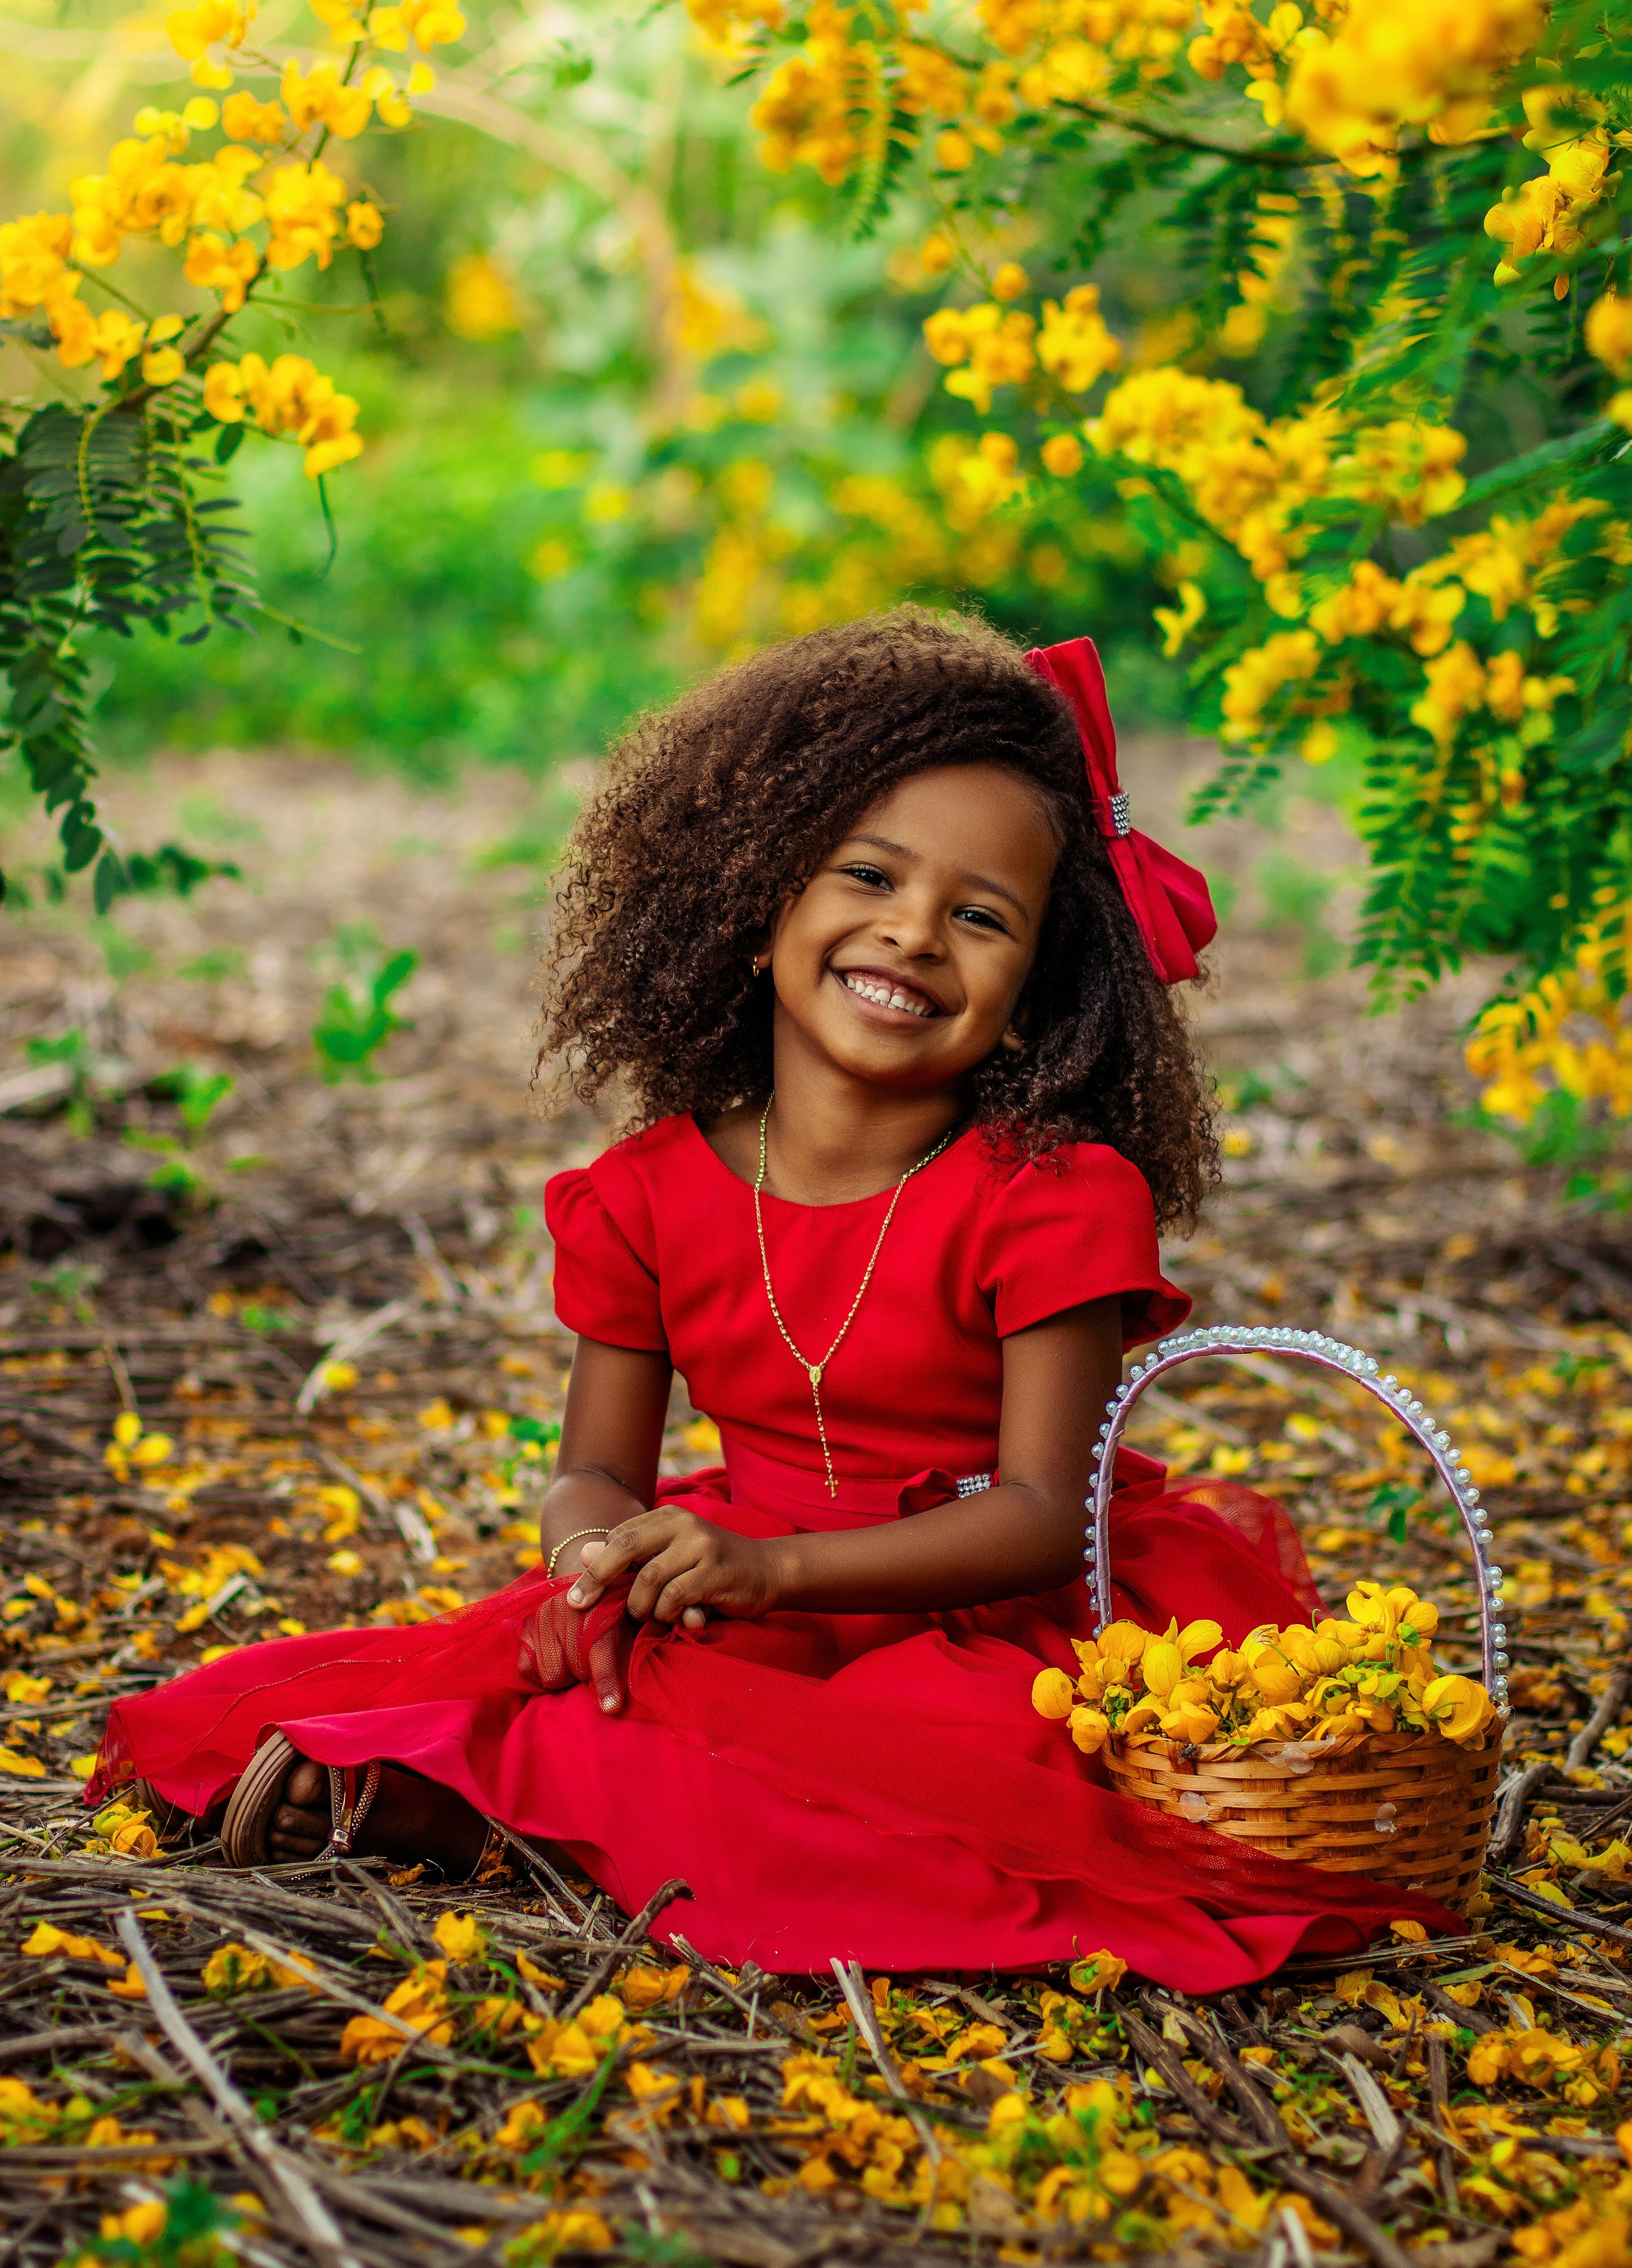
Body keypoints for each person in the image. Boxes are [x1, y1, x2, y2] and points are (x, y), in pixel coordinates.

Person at [92, 610, 1459, 1989]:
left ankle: (504, 1816)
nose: (913, 933)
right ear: (757, 911)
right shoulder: (640, 1194)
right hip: (731, 1583)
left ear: (1033, 996)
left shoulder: (1051, 1194)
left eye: (980, 917)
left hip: (977, 1617)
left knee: (947, 1769)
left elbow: (1044, 1521)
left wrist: (779, 1569)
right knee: (586, 1676)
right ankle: (509, 1794)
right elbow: (592, 1472)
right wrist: (603, 1562)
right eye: (866, 874)